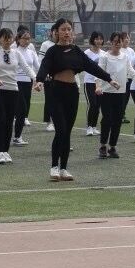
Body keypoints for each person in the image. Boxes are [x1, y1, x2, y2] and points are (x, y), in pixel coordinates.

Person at [33, 18, 119, 181]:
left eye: (69, 29)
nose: (66, 32)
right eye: (63, 29)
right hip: (56, 91)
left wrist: (109, 79)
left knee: (67, 132)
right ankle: (54, 167)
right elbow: (44, 67)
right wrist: (39, 81)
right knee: (61, 130)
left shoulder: (76, 50)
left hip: (72, 92)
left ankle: (64, 169)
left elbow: (92, 67)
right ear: (56, 32)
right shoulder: (52, 51)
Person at [96, 32, 135, 158]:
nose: (117, 43)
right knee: (107, 119)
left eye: (119, 41)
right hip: (106, 92)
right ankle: (103, 146)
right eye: (115, 41)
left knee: (117, 120)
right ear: (110, 42)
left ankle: (112, 147)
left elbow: (131, 70)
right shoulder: (104, 56)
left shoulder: (125, 57)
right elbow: (99, 72)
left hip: (121, 93)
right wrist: (98, 86)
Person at [0, 28, 27, 164]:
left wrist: (37, 79)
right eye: (5, 38)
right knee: (1, 119)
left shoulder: (16, 53)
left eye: (10, 38)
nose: (7, 41)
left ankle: (6, 151)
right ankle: (0, 152)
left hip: (12, 90)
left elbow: (26, 67)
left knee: (9, 120)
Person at [13, 29, 40, 146]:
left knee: (24, 110)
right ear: (18, 39)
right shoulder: (14, 52)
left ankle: (17, 136)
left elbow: (38, 67)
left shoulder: (31, 53)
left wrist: (43, 78)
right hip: (16, 82)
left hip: (27, 83)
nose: (27, 41)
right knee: (21, 109)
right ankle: (17, 137)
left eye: (29, 38)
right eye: (24, 38)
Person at [82, 31, 105, 137]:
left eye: (100, 39)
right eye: (96, 39)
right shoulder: (86, 53)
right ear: (92, 40)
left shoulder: (104, 54)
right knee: (92, 104)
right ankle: (89, 127)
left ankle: (94, 126)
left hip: (100, 84)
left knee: (98, 105)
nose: (99, 41)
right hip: (89, 82)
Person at [38, 25, 57, 131]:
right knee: (50, 99)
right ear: (51, 32)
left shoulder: (64, 44)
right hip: (49, 77)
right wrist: (43, 75)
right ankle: (49, 122)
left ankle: (57, 121)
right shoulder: (46, 44)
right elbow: (40, 60)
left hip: (61, 77)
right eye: (55, 31)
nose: (56, 33)